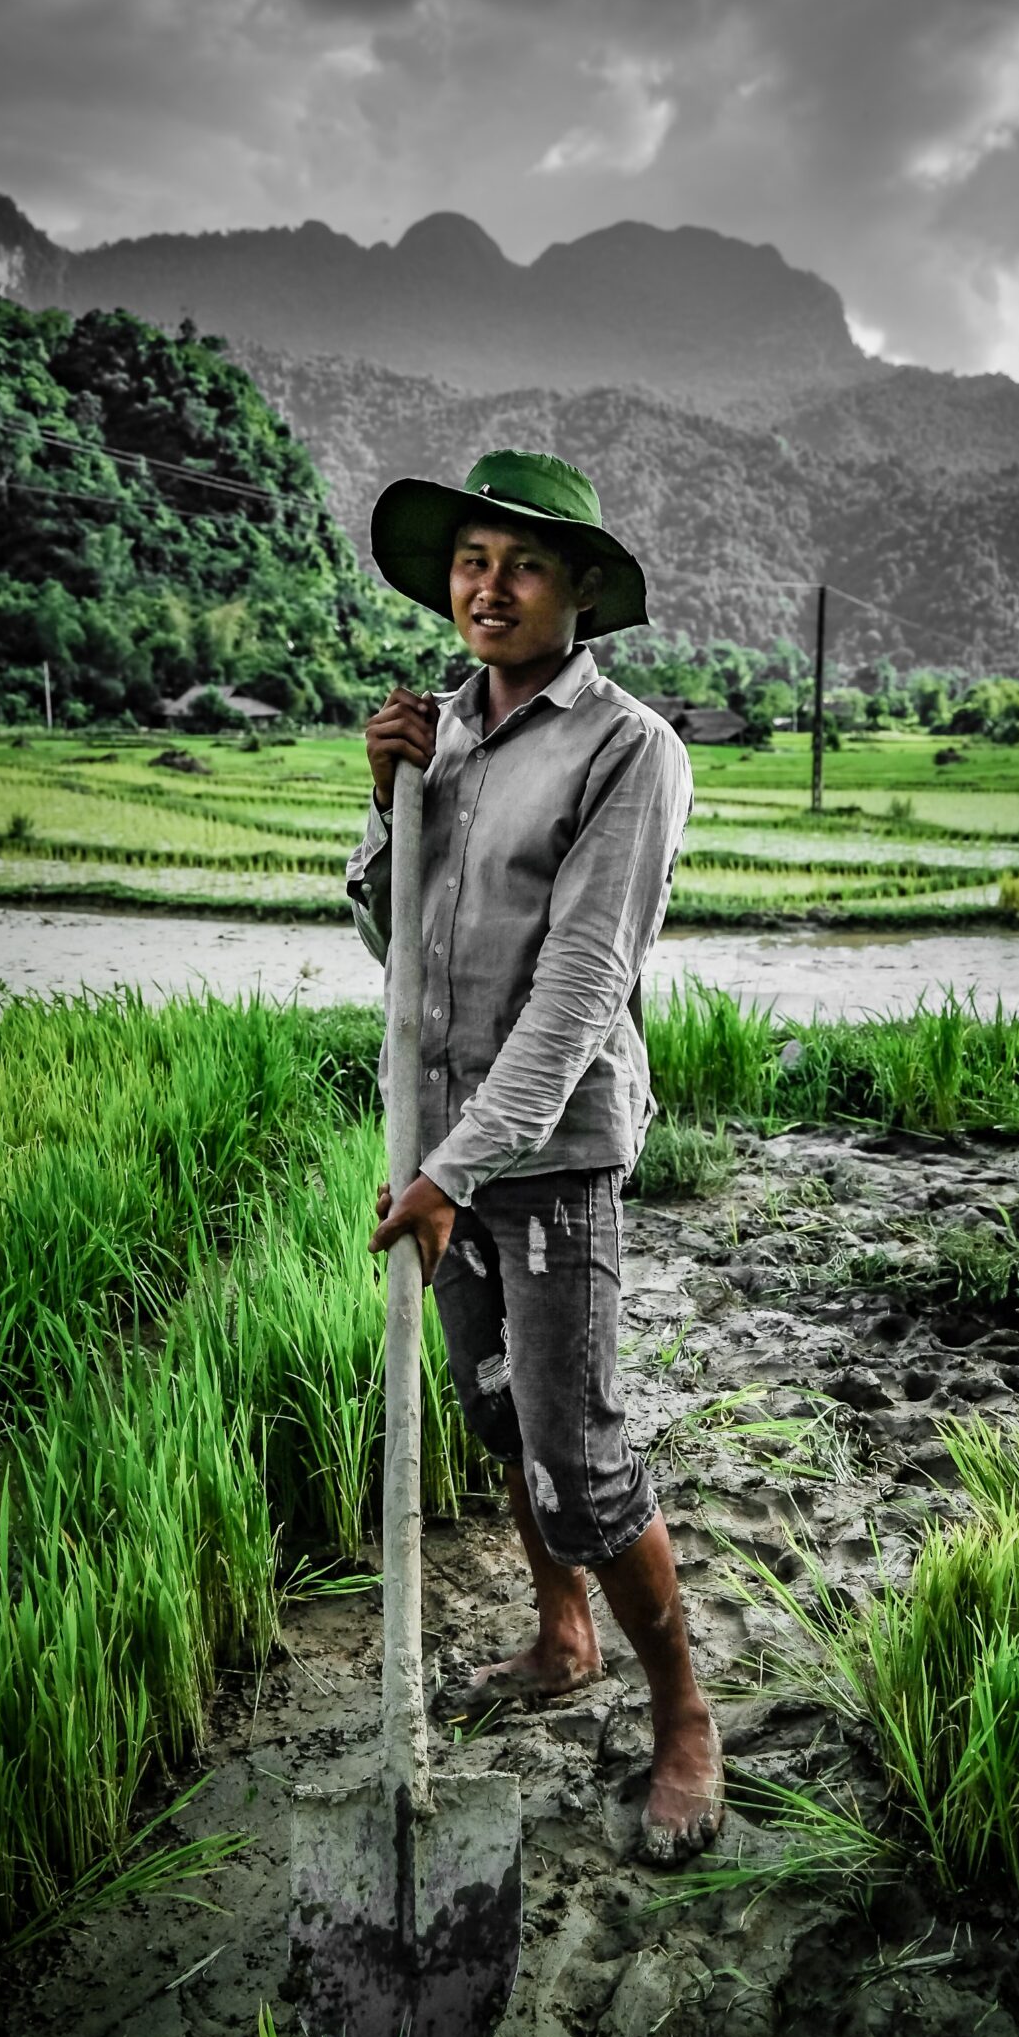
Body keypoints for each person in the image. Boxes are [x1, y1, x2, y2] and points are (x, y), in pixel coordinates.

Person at [348, 448, 724, 1866]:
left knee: (580, 1450)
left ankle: (685, 1715)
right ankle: (564, 1636)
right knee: (500, 1412)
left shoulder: (629, 750)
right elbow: (396, 947)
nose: (489, 587)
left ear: (579, 592)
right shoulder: (438, 731)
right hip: (445, 1149)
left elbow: (576, 995)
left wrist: (457, 1169)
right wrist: (389, 800)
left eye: (523, 565)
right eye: (471, 562)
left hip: (549, 1155)